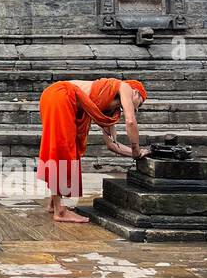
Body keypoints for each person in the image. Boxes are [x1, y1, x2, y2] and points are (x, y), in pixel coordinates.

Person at [36, 78, 148, 223]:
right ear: (136, 93)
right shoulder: (125, 87)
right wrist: (136, 149)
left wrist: (137, 155)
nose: (138, 108)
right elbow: (131, 121)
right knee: (62, 148)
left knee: (69, 147)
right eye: (141, 102)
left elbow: (112, 145)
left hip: (60, 98)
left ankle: (54, 203)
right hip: (61, 94)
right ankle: (60, 211)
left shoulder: (109, 109)